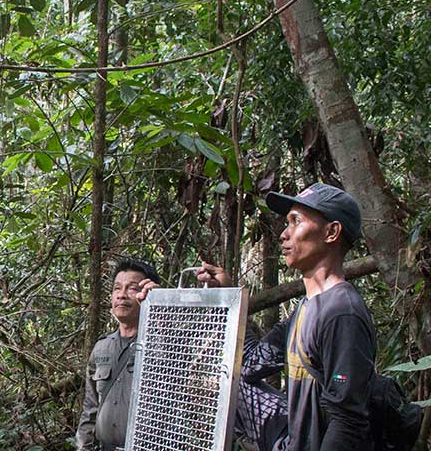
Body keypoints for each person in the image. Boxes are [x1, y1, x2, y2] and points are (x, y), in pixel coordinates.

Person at [198, 183, 376, 451]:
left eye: (296, 221)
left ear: (332, 232)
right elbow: (248, 367)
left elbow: (348, 422)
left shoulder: (342, 312)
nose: (283, 234)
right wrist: (230, 296)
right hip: (291, 441)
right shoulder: (306, 307)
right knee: (225, 381)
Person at [75, 259, 161, 451]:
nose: (122, 295)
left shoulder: (162, 344)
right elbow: (90, 409)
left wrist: (160, 307)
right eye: (117, 288)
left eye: (131, 288)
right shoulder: (101, 348)